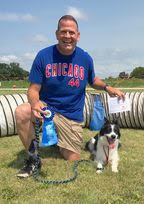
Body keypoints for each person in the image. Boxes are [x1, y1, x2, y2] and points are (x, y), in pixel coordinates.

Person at [15, 15, 125, 178]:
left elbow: (92, 79)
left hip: (71, 116)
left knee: (73, 158)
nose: (67, 36)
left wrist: (107, 87)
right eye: (63, 32)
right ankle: (33, 159)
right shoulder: (43, 56)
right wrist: (34, 103)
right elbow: (33, 89)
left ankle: (57, 141)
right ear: (57, 34)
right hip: (47, 108)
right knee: (22, 111)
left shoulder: (85, 58)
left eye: (71, 32)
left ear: (78, 35)